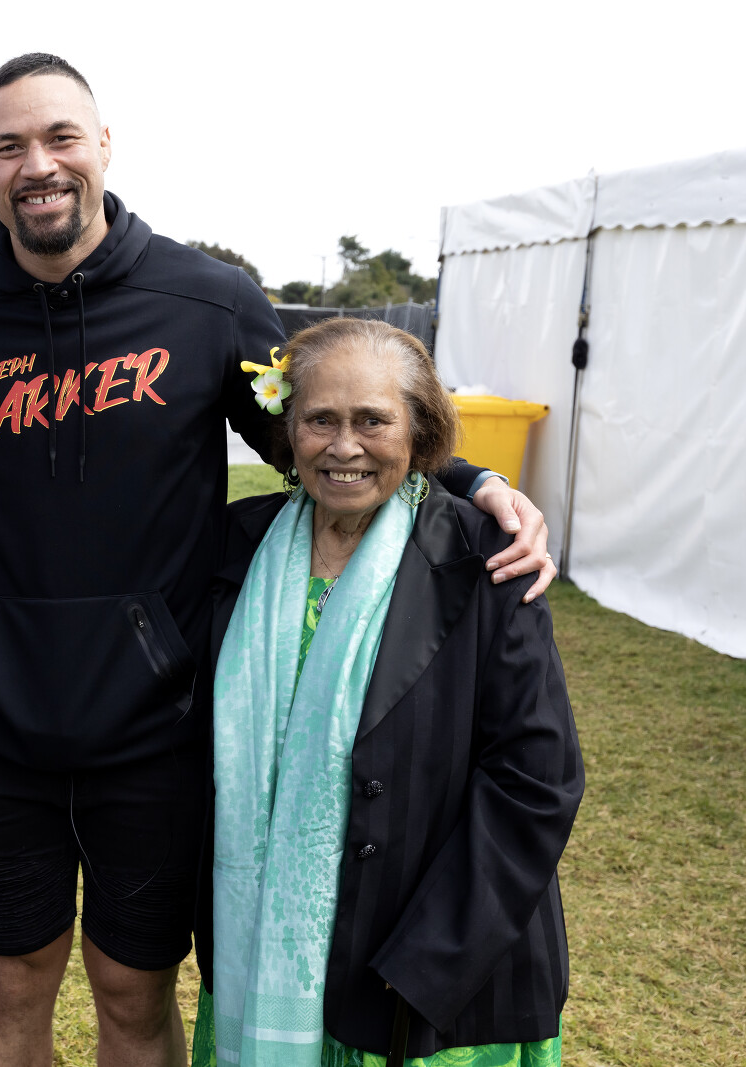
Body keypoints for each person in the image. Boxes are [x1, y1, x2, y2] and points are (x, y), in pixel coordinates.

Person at [0, 54, 560, 1066]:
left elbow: (320, 432)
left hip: (159, 725)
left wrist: (470, 478)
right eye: (9, 146)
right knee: (11, 978)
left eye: (60, 136)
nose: (38, 164)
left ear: (104, 146)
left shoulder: (207, 300)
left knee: (131, 987)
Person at [193, 318, 582, 1067]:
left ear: (420, 430)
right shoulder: (235, 546)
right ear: (288, 431)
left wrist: (428, 961)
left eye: (373, 420)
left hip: (432, 977)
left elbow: (535, 780)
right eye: (320, 420)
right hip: (259, 959)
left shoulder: (485, 559)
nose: (344, 447)